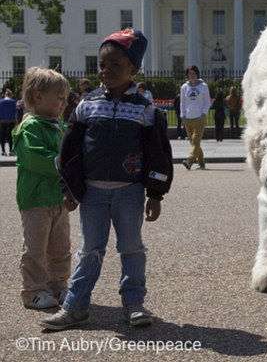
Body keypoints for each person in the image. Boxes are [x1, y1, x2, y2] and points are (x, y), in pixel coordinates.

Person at [40, 28, 173, 330]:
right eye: (102, 64)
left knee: (132, 248)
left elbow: (158, 154)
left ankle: (134, 304)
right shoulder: (86, 106)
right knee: (89, 250)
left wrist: (156, 193)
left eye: (115, 65)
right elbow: (69, 151)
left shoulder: (146, 111)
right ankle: (75, 307)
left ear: (133, 69)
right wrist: (69, 187)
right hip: (93, 194)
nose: (106, 71)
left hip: (130, 191)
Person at [12, 68, 71, 309]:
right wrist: (67, 166)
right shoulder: (31, 127)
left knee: (60, 248)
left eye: (66, 98)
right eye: (59, 97)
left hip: (58, 197)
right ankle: (34, 291)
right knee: (35, 249)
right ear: (38, 97)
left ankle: (58, 285)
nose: (64, 103)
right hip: (35, 199)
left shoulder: (59, 125)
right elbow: (37, 158)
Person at [180, 65, 210, 170]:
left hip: (199, 117)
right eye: (189, 74)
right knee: (193, 143)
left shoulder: (203, 86)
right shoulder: (184, 87)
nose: (191, 75)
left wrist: (203, 114)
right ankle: (201, 162)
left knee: (196, 141)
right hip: (188, 117)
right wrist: (182, 115)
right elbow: (182, 102)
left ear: (197, 74)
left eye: (193, 73)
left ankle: (190, 160)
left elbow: (207, 101)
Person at [0, 88, 17, 155]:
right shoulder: (13, 101)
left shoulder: (1, 102)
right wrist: (16, 121)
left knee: (2, 136)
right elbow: (15, 112)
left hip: (2, 121)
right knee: (10, 136)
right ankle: (10, 151)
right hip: (11, 121)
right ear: (10, 95)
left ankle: (3, 151)